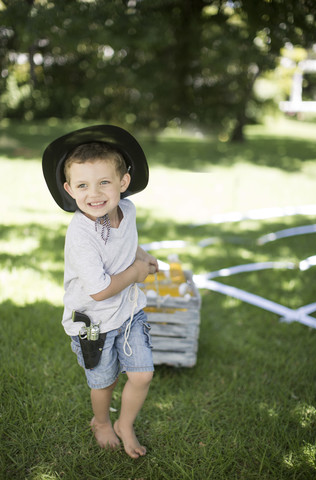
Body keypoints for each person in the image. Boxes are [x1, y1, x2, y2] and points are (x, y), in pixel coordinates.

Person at [42, 125, 158, 459]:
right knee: (103, 382)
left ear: (123, 183)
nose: (94, 193)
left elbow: (126, 244)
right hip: (93, 323)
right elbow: (99, 291)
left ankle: (125, 422)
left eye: (104, 182)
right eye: (83, 185)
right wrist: (137, 273)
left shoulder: (128, 210)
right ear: (69, 189)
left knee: (142, 373)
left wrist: (143, 256)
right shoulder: (81, 234)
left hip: (129, 311)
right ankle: (102, 421)